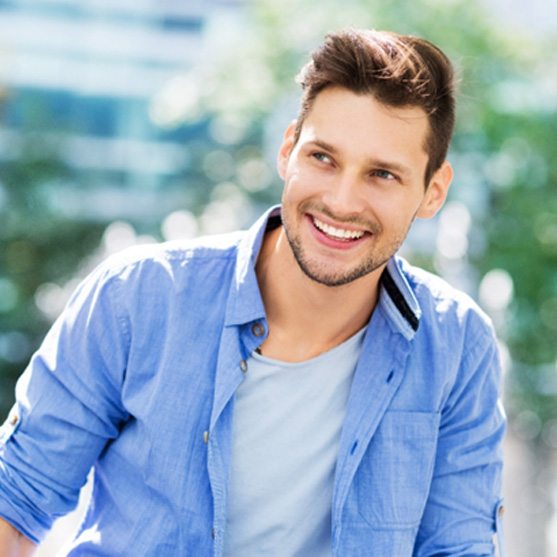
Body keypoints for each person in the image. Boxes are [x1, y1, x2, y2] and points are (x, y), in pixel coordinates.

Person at [0, 29, 506, 556]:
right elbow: (14, 502)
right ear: (288, 150)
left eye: (381, 174)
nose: (340, 200)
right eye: (323, 158)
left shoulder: (457, 345)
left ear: (433, 192)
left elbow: (459, 546)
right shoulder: (138, 297)